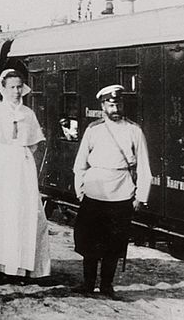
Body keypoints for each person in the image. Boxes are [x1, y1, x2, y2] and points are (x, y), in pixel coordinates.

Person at [72, 84, 152, 298]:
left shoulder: (134, 130)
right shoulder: (93, 129)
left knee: (114, 244)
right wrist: (80, 190)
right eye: (111, 104)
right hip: (94, 193)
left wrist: (140, 197)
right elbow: (80, 163)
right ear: (103, 106)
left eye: (119, 104)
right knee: (89, 242)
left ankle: (107, 285)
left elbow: (144, 167)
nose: (115, 108)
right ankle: (88, 284)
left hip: (121, 194)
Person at [0, 68, 50, 283]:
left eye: (19, 87)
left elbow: (34, 143)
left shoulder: (28, 113)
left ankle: (20, 268)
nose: (16, 91)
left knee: (23, 214)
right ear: (3, 88)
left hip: (22, 167)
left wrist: (20, 156)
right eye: (12, 87)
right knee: (0, 215)